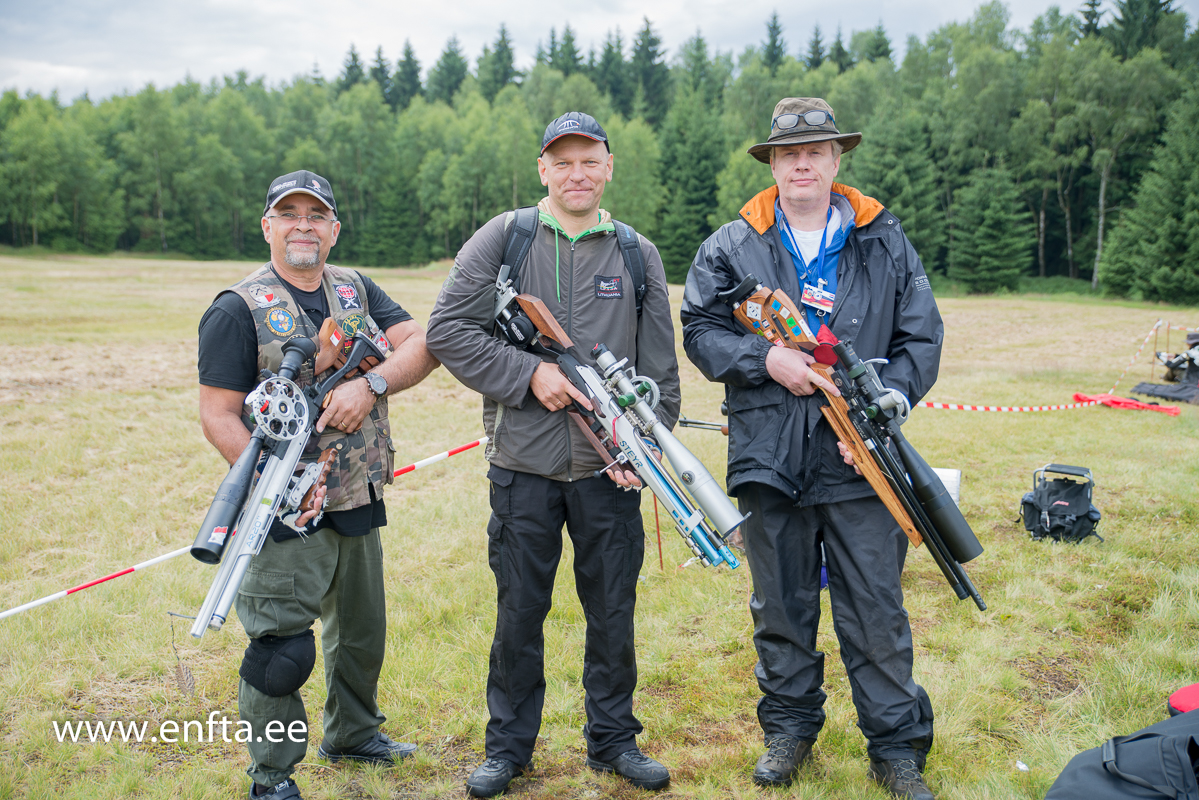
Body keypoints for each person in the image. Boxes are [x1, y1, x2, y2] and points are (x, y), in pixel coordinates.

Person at [680, 98, 943, 800]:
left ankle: (894, 747)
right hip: (769, 454)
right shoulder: (730, 245)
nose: (802, 162)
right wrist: (762, 360)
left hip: (861, 455)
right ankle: (789, 731)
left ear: (835, 160)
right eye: (788, 153)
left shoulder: (883, 238)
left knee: (875, 609)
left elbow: (920, 336)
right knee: (780, 606)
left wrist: (898, 396)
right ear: (772, 162)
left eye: (816, 151)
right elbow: (700, 330)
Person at [425, 112, 680, 798]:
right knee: (518, 613)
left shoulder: (636, 253)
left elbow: (660, 371)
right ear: (542, 169)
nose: (575, 173)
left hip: (609, 470)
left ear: (608, 167)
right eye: (561, 161)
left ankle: (614, 742)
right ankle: (507, 750)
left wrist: (644, 451)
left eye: (588, 161)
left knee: (612, 612)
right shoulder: (505, 239)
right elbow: (446, 330)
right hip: (523, 466)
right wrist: (526, 375)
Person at [197, 170, 439, 800]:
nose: (302, 224)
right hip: (285, 507)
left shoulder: (355, 288)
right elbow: (218, 414)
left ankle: (354, 734)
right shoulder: (236, 307)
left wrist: (371, 383)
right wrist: (271, 486)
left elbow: (424, 342)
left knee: (361, 630)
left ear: (334, 229)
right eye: (289, 213)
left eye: (315, 214)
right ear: (267, 226)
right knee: (282, 652)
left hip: (358, 491)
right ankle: (272, 777)